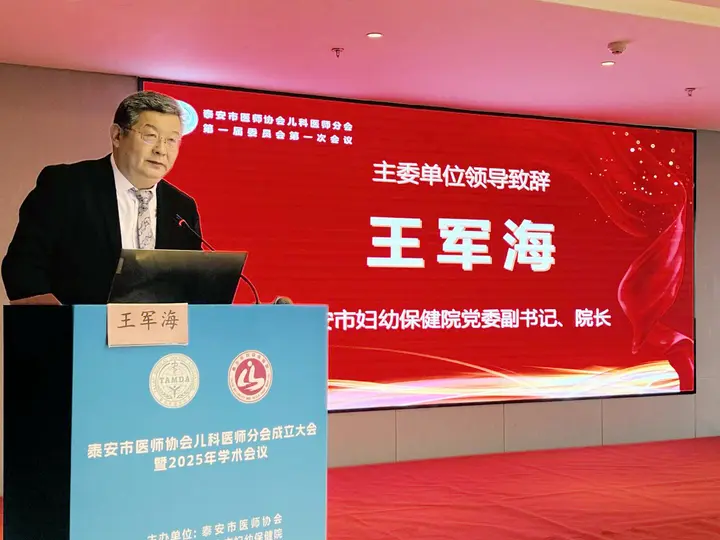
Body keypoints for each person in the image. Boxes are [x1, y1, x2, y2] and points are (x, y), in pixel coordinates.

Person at [1, 91, 202, 306]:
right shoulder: (66, 185)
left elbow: (193, 281)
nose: (161, 150)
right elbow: (23, 265)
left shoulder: (181, 207)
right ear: (117, 136)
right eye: (150, 136)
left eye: (171, 140)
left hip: (158, 327)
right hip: (77, 325)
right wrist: (55, 319)